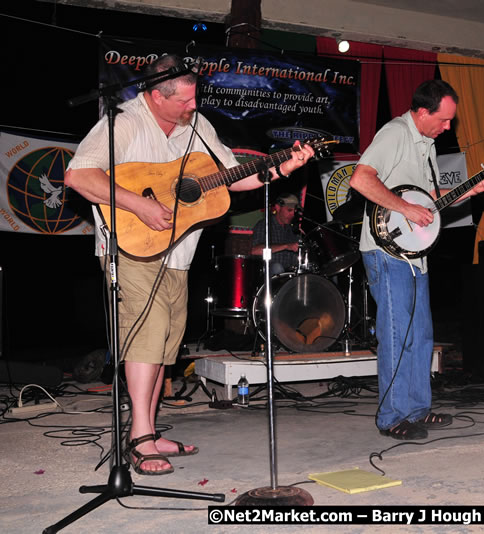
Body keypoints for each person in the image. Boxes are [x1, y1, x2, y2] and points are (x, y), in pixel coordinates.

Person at [64, 54, 315, 475]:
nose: (193, 106)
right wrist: (138, 204)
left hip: (178, 252)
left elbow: (234, 177)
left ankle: (146, 430)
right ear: (155, 96)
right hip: (130, 246)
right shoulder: (123, 123)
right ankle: (141, 440)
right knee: (144, 338)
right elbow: (78, 177)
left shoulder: (198, 126)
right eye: (183, 100)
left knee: (165, 344)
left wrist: (283, 166)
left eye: (194, 96)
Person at [349, 80, 484, 440]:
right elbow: (360, 179)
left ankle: (416, 409)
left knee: (421, 334)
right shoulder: (395, 134)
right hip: (387, 252)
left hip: (415, 255)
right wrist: (405, 208)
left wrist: (471, 188)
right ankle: (392, 417)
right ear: (422, 112)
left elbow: (431, 199)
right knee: (397, 335)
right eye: (444, 120)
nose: (449, 127)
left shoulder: (427, 145)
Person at [250, 192, 302, 276]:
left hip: (288, 276)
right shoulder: (265, 225)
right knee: (277, 267)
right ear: (278, 208)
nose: (292, 214)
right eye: (289, 210)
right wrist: (286, 246)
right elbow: (254, 251)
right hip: (266, 274)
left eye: (294, 211)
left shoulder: (292, 230)